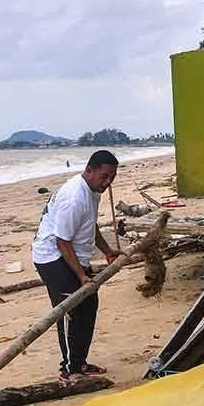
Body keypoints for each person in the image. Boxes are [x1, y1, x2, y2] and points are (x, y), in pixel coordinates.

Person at [32, 150, 122, 382]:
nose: (108, 182)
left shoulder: (93, 191)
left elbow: (90, 225)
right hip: (53, 257)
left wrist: (108, 251)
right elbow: (62, 241)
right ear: (89, 170)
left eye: (112, 177)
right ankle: (68, 370)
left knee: (88, 306)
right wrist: (81, 275)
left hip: (72, 255)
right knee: (69, 313)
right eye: (104, 176)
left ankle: (80, 362)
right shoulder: (74, 198)